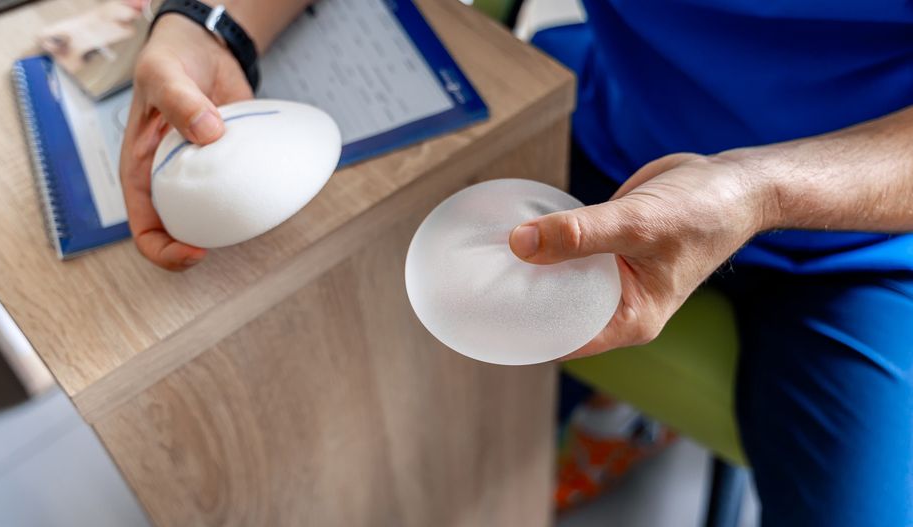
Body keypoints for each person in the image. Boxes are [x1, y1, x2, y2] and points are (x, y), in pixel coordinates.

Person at [120, 1, 913, 525]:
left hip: (870, 236)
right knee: (378, 376)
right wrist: (211, 22)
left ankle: (619, 421)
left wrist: (761, 191)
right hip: (614, 149)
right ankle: (612, 421)